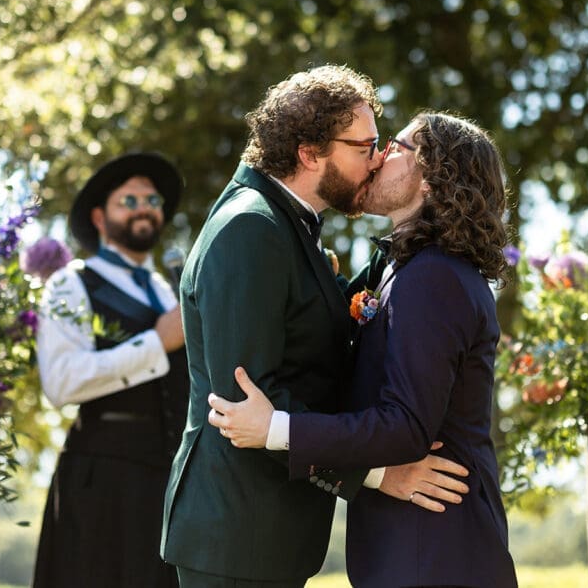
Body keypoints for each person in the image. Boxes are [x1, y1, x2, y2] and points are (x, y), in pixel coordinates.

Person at [161, 67, 467, 588]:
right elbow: (246, 407)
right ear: (309, 153)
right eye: (365, 146)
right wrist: (379, 475)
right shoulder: (251, 228)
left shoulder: (288, 225)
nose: (377, 160)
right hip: (237, 534)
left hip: (265, 534)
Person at [208, 112, 520, 588]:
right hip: (411, 548)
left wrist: (275, 428)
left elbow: (405, 427)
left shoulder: (434, 276)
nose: (377, 157)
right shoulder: (406, 267)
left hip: (435, 553)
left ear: (434, 178)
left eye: (396, 146)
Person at [33, 152, 189, 588]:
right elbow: (61, 381)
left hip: (167, 481)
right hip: (101, 480)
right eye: (130, 199)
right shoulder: (70, 283)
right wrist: (156, 341)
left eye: (153, 200)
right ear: (99, 218)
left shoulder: (165, 290)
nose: (144, 207)